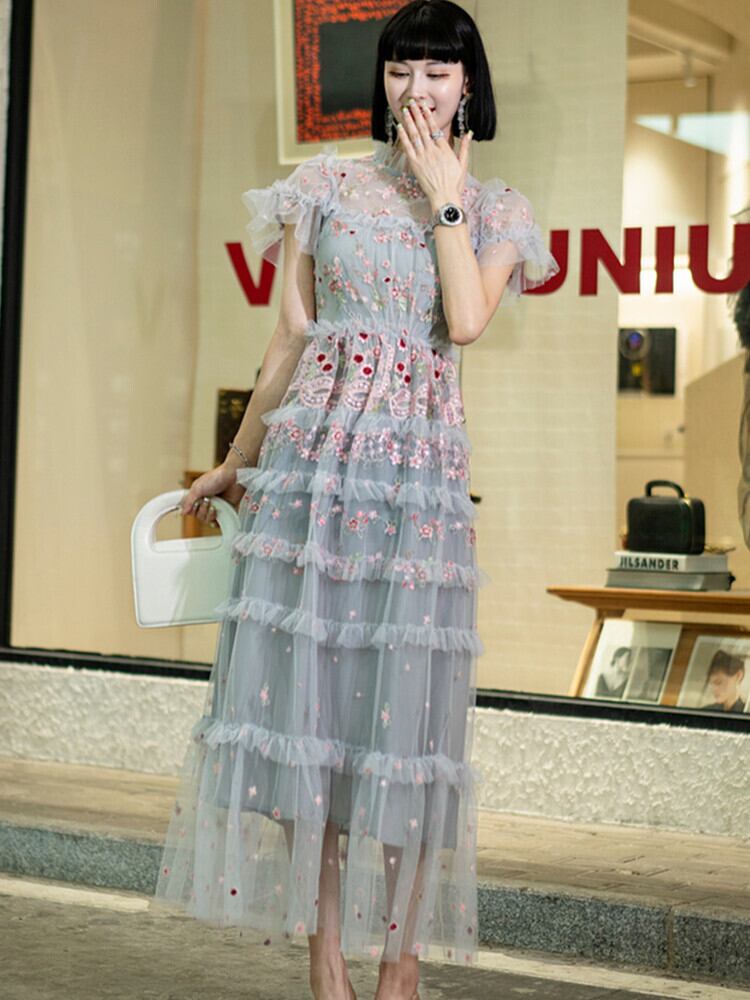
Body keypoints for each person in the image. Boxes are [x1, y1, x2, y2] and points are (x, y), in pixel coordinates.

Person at [149, 2, 558, 998]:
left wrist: (444, 196)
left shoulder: (495, 210)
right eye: (401, 70)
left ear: (468, 86)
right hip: (311, 476)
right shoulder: (324, 187)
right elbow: (289, 338)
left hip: (414, 489)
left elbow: (466, 319)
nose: (417, 90)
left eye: (438, 73)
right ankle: (326, 960)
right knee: (315, 720)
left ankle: (401, 964)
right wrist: (236, 461)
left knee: (408, 729)